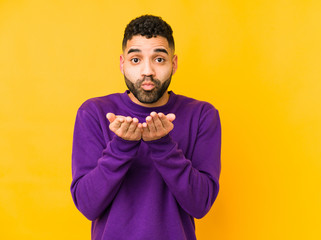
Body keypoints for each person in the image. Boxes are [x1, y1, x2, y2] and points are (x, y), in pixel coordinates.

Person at [70, 15, 221, 240]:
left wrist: (163, 146)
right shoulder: (94, 112)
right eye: (136, 60)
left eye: (159, 59)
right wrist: (121, 146)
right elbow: (87, 206)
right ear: (122, 64)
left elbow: (200, 205)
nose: (147, 71)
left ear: (174, 63)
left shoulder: (202, 115)